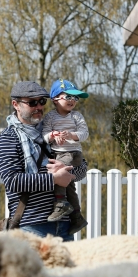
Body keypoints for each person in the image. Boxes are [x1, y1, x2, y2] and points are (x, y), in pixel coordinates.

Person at [0, 81, 88, 241]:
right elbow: (12, 181)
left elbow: (82, 169)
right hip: (31, 226)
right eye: (32, 103)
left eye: (42, 101)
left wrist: (66, 170)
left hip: (64, 225)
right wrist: (54, 179)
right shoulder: (7, 139)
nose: (39, 107)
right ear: (15, 104)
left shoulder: (54, 131)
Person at [42, 79, 89, 233]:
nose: (73, 100)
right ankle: (77, 216)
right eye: (68, 97)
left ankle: (61, 203)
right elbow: (44, 135)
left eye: (75, 98)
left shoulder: (76, 116)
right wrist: (53, 135)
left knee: (58, 173)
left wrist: (71, 135)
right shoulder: (50, 117)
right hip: (57, 153)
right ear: (55, 99)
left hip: (73, 153)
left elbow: (84, 134)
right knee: (69, 185)